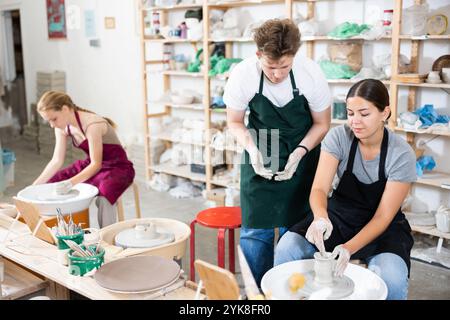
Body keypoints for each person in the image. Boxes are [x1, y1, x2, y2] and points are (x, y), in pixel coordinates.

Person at [274, 79, 416, 300]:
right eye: (350, 113)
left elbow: (383, 216)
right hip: (339, 218)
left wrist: (348, 248)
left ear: (384, 113)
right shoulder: (339, 137)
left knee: (392, 278)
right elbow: (320, 189)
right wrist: (321, 218)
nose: (355, 121)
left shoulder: (401, 153)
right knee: (287, 247)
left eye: (364, 113)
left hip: (382, 228)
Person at [224, 19, 331, 285]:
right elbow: (235, 121)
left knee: (291, 234)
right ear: (258, 55)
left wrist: (300, 153)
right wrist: (252, 149)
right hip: (262, 145)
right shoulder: (244, 74)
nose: (278, 74)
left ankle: (286, 291)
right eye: (271, 67)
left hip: (301, 150)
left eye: (285, 66)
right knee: (254, 232)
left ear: (294, 56)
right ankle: (257, 296)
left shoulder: (310, 73)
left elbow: (322, 124)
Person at [33, 91, 135, 228]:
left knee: (105, 193)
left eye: (53, 119)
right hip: (92, 165)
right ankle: (57, 232)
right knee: (52, 182)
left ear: (65, 109)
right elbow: (56, 160)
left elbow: (96, 164)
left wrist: (70, 183)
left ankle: (107, 237)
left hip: (118, 167)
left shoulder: (92, 125)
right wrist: (34, 187)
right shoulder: (61, 127)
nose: (51, 125)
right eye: (48, 121)